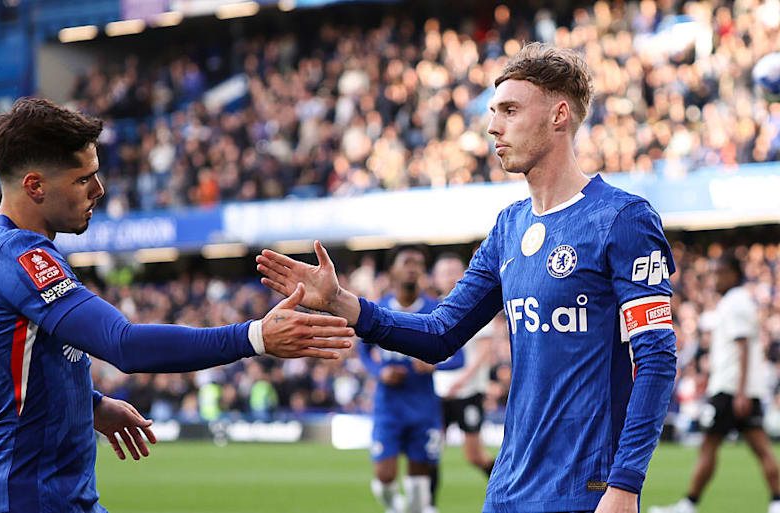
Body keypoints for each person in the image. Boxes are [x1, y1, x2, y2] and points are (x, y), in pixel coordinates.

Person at [256, 42, 677, 513]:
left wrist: (625, 484)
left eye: (511, 110)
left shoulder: (622, 219)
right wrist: (342, 302)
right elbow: (440, 332)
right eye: (494, 111)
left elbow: (657, 360)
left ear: (559, 115)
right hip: (507, 490)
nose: (493, 125)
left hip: (587, 491)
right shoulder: (508, 227)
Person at [0, 97, 353, 513]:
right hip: (25, 499)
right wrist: (255, 337)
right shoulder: (21, 259)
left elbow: (4, 363)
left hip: (51, 494)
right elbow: (124, 344)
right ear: (34, 186)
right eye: (83, 179)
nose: (99, 190)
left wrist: (90, 404)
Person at [649, 255, 780, 513]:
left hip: (731, 390)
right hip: (738, 389)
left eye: (718, 273)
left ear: (733, 274)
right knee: (758, 448)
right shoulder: (736, 302)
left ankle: (689, 504)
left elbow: (742, 348)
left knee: (712, 447)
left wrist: (740, 392)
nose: (713, 279)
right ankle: (776, 501)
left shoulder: (734, 303)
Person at [358, 246, 463, 513]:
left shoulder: (436, 309)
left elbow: (459, 357)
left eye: (418, 263)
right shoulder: (377, 309)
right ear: (392, 270)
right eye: (407, 262)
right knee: (384, 476)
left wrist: (435, 366)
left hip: (423, 406)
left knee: (419, 480)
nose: (413, 267)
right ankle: (395, 508)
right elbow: (363, 351)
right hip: (388, 406)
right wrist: (379, 372)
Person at [428, 253, 496, 507]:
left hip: (468, 391)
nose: (450, 277)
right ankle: (428, 505)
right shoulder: (429, 306)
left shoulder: (475, 304)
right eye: (444, 271)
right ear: (435, 277)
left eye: (455, 270)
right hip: (438, 392)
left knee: (474, 455)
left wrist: (463, 379)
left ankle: (505, 490)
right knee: (430, 451)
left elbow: (485, 351)